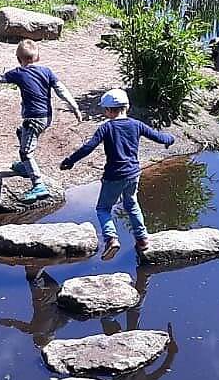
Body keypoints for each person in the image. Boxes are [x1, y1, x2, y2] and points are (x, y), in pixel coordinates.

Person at [60, 87, 174, 260]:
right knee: (132, 204)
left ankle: (111, 238)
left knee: (103, 208)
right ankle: (142, 239)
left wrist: (70, 160)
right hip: (133, 174)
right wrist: (169, 139)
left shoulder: (106, 128)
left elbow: (88, 147)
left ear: (107, 110)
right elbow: (158, 137)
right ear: (126, 107)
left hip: (113, 176)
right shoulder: (136, 124)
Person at [0, 40, 82, 203]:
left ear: (18, 59)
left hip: (33, 119)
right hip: (46, 117)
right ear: (38, 57)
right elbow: (61, 90)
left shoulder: (18, 73)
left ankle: (38, 184)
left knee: (26, 152)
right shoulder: (47, 71)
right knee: (21, 132)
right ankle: (24, 167)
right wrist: (74, 107)